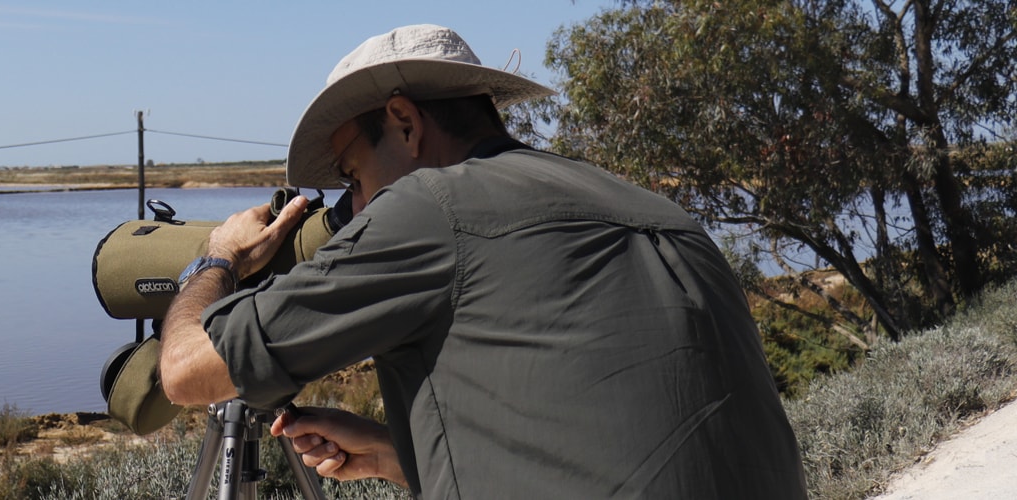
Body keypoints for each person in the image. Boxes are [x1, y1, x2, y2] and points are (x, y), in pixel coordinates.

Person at [156, 24, 807, 498]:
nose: (352, 209)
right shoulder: (652, 208)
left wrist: (214, 264)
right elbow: (628, 437)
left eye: (353, 175)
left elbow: (188, 373)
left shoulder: (433, 204)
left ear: (406, 124)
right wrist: (394, 452)